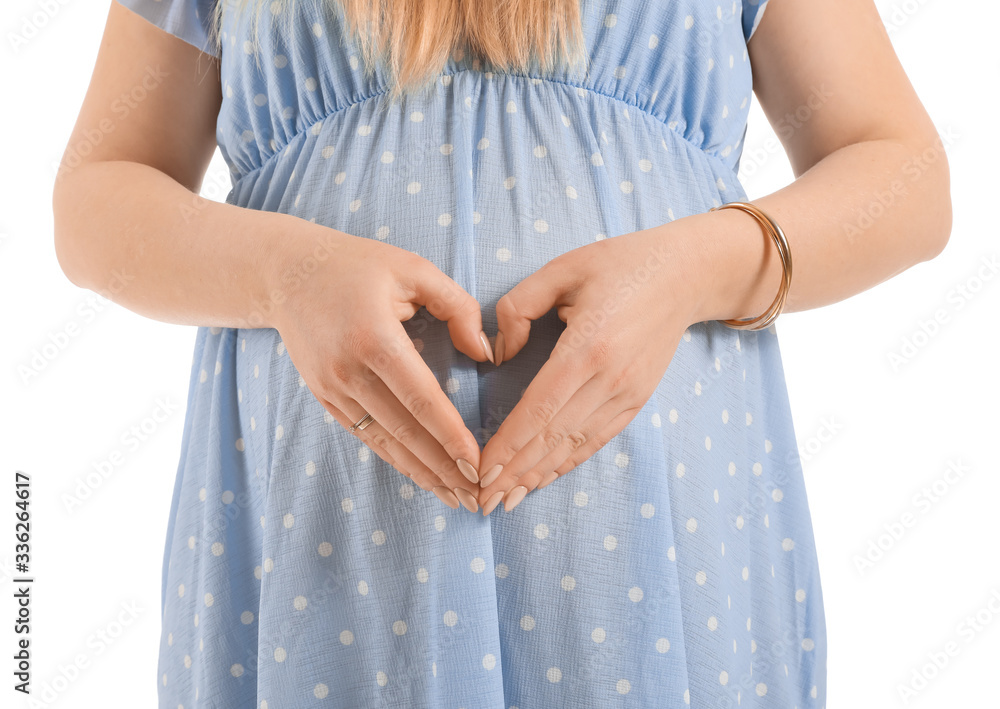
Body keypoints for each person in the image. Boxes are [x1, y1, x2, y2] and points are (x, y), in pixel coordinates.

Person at [51, 0, 951, 705]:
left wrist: (695, 267)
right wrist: (285, 273)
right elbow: (96, 199)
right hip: (330, 534)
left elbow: (903, 177)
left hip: (669, 535)